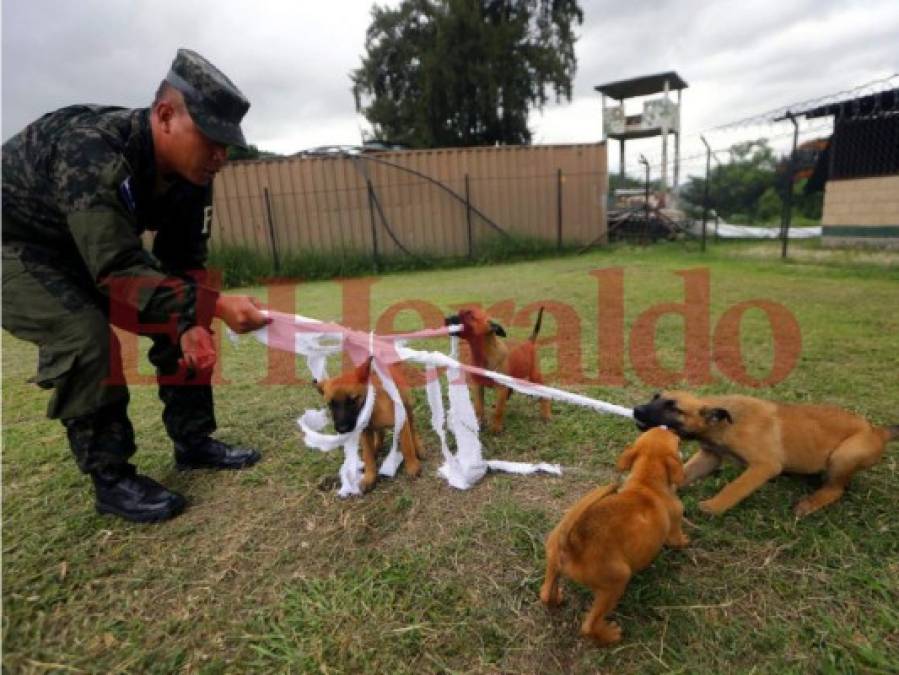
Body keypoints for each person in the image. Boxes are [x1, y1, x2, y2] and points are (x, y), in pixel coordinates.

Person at [2, 48, 272, 523]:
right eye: (211, 139)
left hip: (90, 248)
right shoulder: (91, 147)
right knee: (83, 335)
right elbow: (118, 271)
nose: (221, 156)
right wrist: (214, 305)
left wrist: (192, 317)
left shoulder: (194, 173)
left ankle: (193, 440)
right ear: (165, 115)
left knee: (183, 317)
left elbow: (184, 261)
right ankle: (111, 480)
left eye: (227, 144)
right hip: (18, 246)